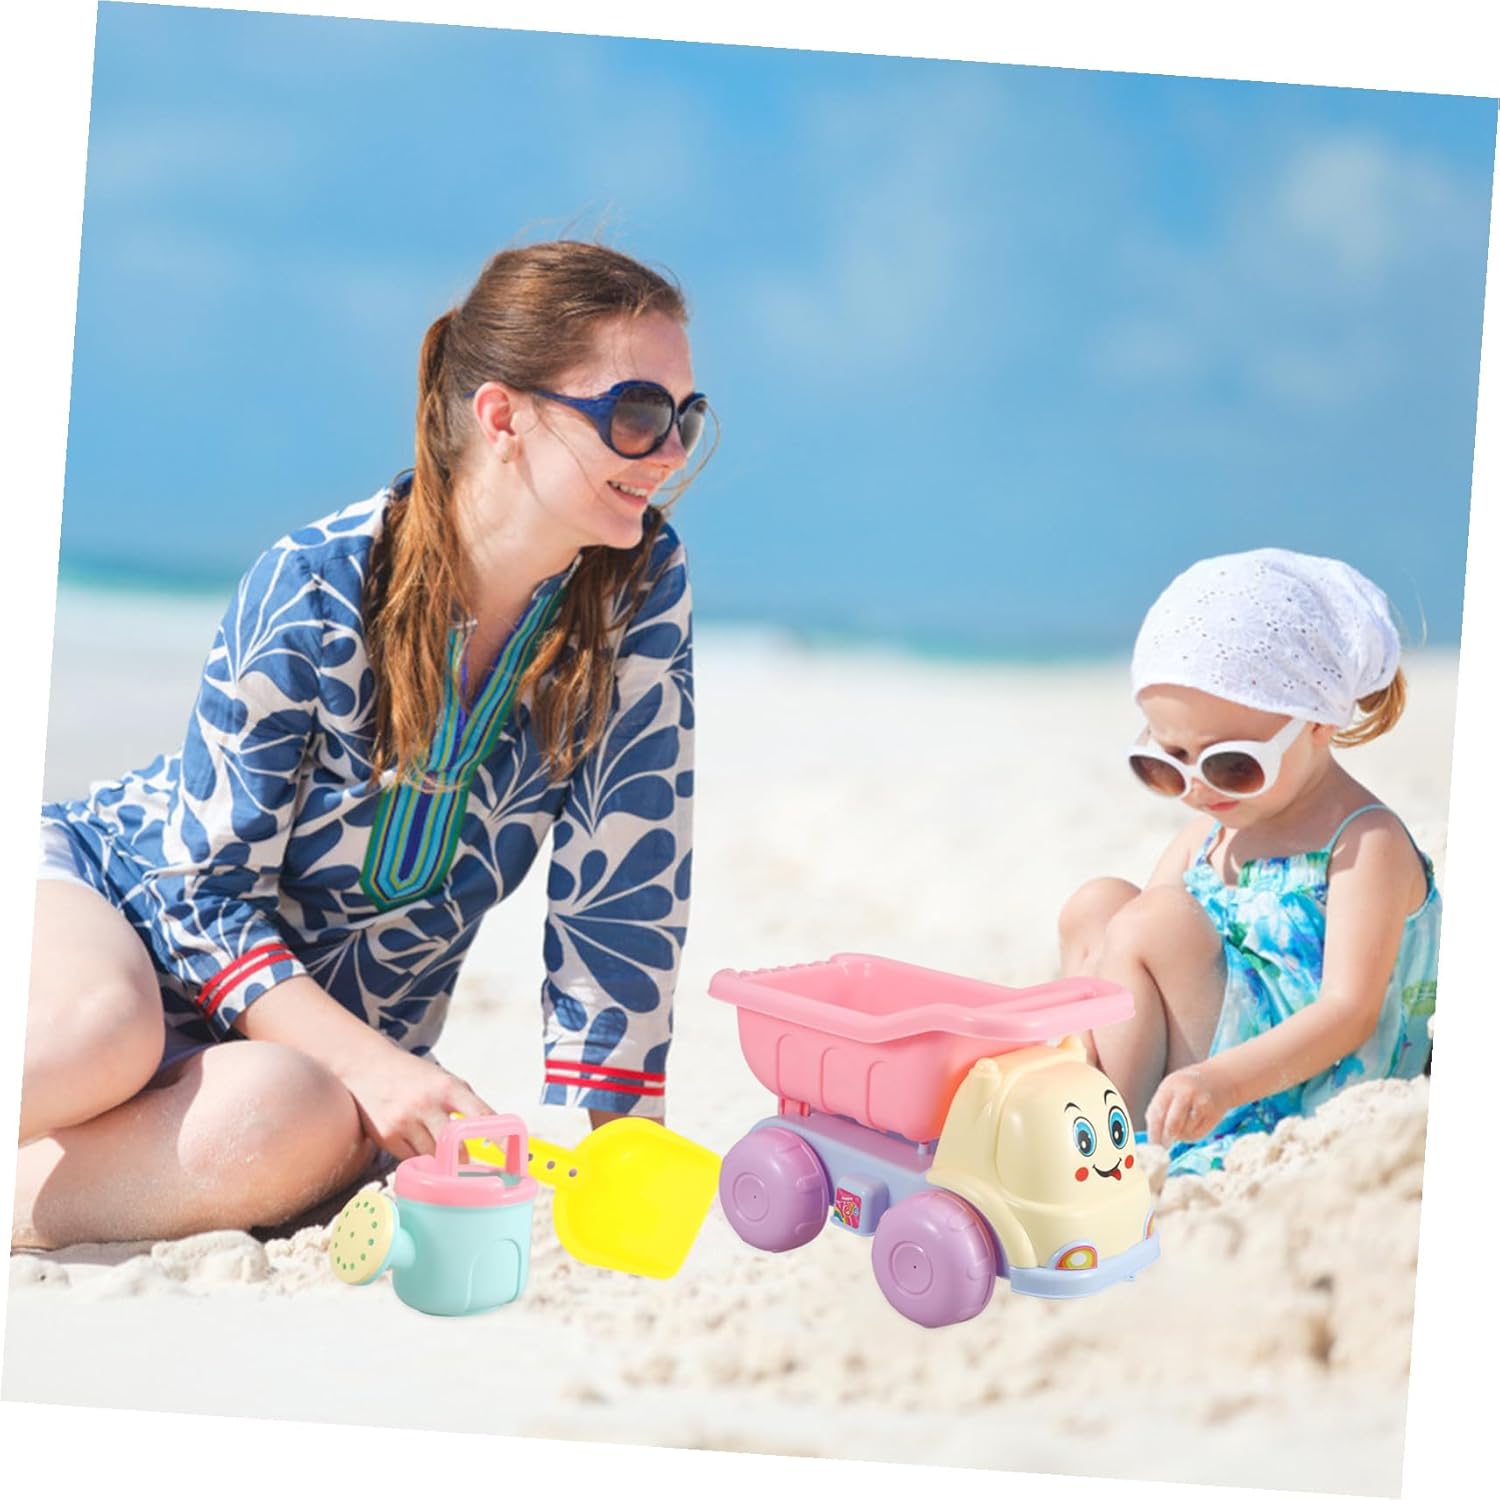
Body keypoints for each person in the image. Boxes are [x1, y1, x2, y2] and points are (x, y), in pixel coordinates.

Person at [16, 240, 710, 1248]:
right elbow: (201, 899)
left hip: (302, 1052)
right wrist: (378, 1068)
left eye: (686, 419)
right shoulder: (315, 582)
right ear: (504, 417)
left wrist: (617, 1161)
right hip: (120, 907)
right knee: (102, 1036)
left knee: (284, 1121)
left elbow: (624, 891)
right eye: (638, 413)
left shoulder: (637, 591)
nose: (670, 451)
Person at [1057, 549, 1439, 1175]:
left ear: (1317, 722)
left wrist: (1223, 1083)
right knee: (1097, 904)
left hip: (1279, 1081)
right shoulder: (1206, 837)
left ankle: (1105, 1141)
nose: (1198, 788)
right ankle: (1076, 1079)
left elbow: (1349, 1012)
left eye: (1232, 763)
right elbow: (1127, 962)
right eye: (1166, 762)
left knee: (1156, 921)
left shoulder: (1365, 844)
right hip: (1194, 1069)